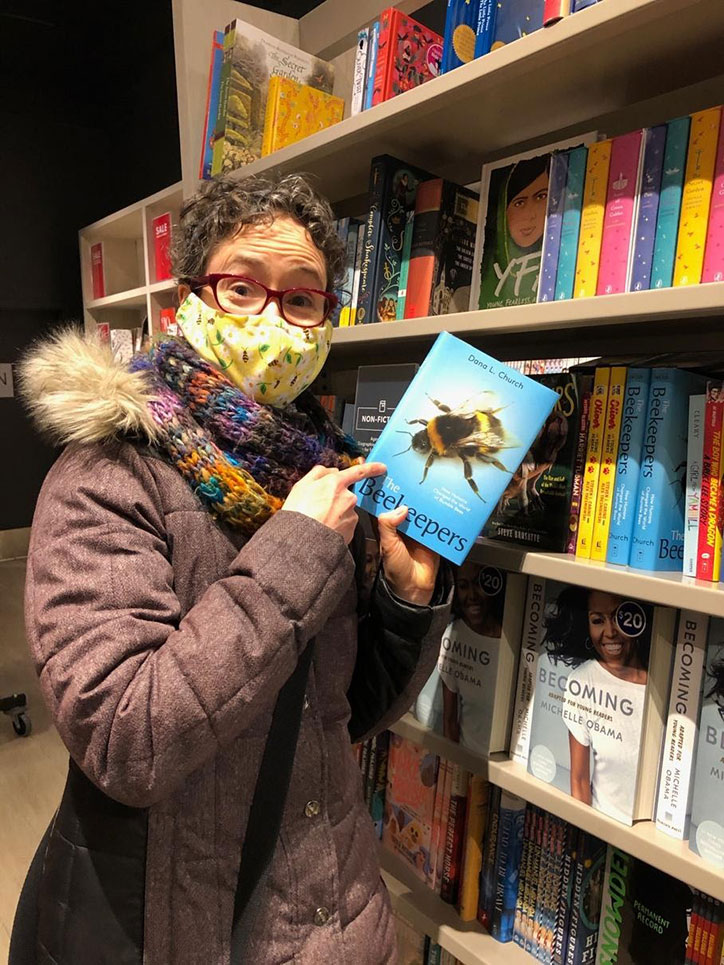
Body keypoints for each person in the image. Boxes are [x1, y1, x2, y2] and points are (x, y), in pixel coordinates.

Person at [13, 174, 451, 965]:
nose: (274, 322)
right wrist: (296, 550)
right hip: (192, 923)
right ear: (191, 297)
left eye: (303, 300)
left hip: (342, 908)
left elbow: (342, 716)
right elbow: (122, 736)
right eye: (243, 287)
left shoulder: (324, 467)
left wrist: (405, 602)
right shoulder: (107, 475)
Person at [544, 586, 650, 824]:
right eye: (598, 620)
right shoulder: (582, 682)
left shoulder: (663, 685)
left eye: (619, 617)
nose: (610, 632)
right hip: (604, 829)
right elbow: (579, 782)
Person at [440, 560, 505, 752]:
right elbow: (449, 720)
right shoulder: (453, 635)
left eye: (479, 583)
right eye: (463, 586)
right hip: (468, 761)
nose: (472, 596)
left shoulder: (512, 640)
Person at [478, 154, 550, 308]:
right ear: (504, 210)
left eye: (541, 197)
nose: (530, 215)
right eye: (519, 203)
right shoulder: (479, 283)